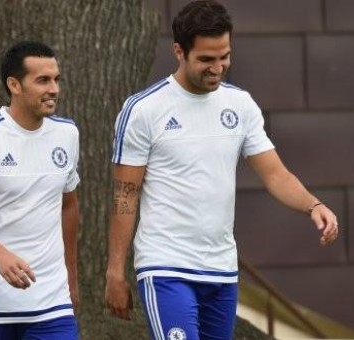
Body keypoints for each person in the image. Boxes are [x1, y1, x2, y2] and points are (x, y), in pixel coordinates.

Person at [104, 1, 339, 339]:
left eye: (224, 56)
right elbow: (125, 195)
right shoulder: (143, 109)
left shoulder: (240, 105)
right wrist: (115, 271)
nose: (218, 67)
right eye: (206, 59)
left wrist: (313, 205)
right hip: (165, 266)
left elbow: (276, 174)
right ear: (179, 52)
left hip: (221, 270)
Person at [0, 41, 80, 340]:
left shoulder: (67, 134)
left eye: (56, 79)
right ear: (14, 85)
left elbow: (69, 206)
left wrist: (71, 277)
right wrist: (1, 257)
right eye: (43, 80)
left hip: (52, 304)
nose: (54, 89)